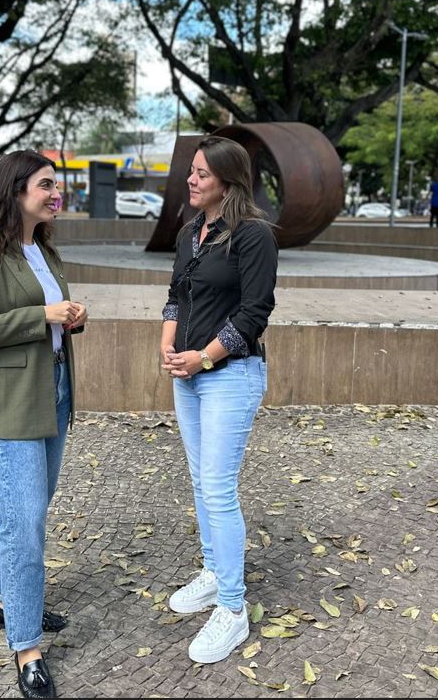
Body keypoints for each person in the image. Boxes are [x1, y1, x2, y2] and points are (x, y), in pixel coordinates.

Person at [0, 150, 88, 700]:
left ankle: (5, 599)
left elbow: (48, 319)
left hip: (50, 394)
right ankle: (27, 649)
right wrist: (44, 317)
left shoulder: (43, 250)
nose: (56, 194)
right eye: (47, 185)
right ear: (14, 190)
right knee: (27, 520)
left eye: (58, 186)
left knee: (25, 509)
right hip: (6, 405)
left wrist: (71, 319)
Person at [160, 136, 277, 665]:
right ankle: (213, 573)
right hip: (187, 374)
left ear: (228, 182)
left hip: (231, 375)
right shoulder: (191, 233)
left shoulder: (253, 237)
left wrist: (203, 357)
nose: (191, 179)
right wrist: (168, 343)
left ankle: (233, 609)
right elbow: (175, 296)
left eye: (202, 173)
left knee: (219, 489)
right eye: (192, 170)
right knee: (201, 484)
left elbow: (254, 313)